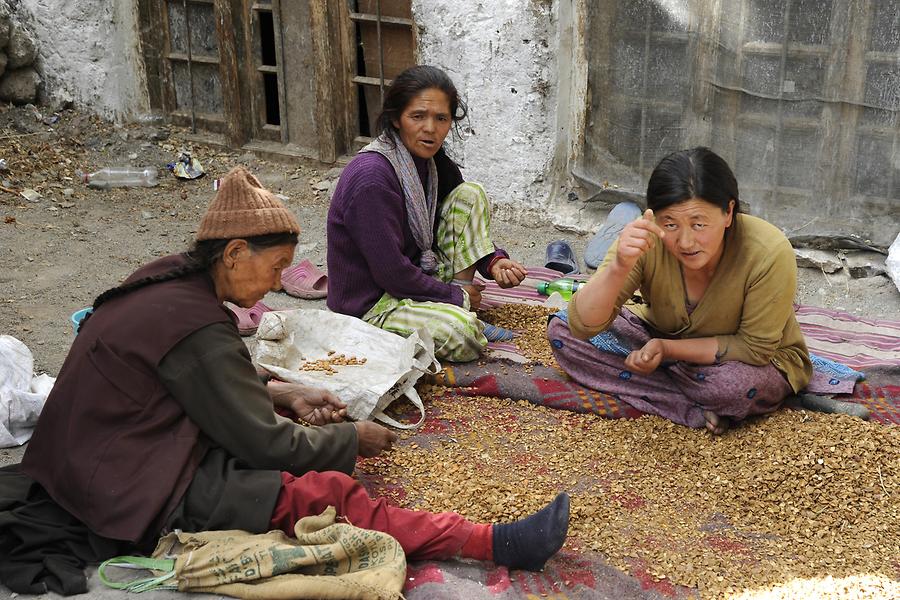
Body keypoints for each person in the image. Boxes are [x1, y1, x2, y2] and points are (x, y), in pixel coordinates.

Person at [19, 167, 569, 575]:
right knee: (316, 493)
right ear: (234, 253)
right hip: (125, 484)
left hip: (88, 454)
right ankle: (491, 542)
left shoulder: (168, 281)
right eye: (276, 266)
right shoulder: (197, 327)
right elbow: (264, 445)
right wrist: (348, 437)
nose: (280, 281)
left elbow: (189, 379)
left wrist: (280, 388)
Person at [548, 147, 812, 434]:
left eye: (698, 224)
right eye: (670, 224)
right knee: (561, 332)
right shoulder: (645, 238)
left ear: (728, 212)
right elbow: (581, 325)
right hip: (660, 332)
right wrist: (619, 267)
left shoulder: (768, 252)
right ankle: (693, 406)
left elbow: (754, 348)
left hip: (742, 358)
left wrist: (667, 349)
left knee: (732, 388)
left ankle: (671, 394)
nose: (686, 241)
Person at [327, 65, 528, 362]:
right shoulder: (371, 179)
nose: (430, 129)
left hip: (413, 276)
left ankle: (456, 306)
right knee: (461, 334)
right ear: (396, 119)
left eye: (441, 118)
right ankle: (458, 309)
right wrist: (453, 297)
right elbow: (391, 273)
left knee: (470, 195)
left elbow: (461, 224)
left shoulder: (434, 163)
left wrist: (494, 261)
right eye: (417, 116)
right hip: (372, 304)